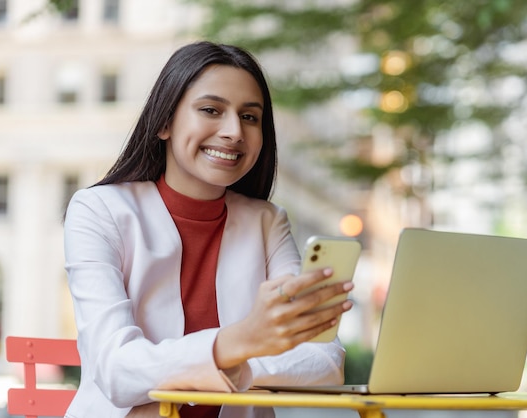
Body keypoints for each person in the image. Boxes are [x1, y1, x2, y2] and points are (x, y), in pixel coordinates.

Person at [63, 41, 354, 418]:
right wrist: (241, 342)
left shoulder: (267, 222)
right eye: (210, 110)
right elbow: (116, 369)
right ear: (164, 121)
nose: (234, 131)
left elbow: (325, 360)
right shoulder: (98, 210)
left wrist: (229, 362)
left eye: (250, 117)